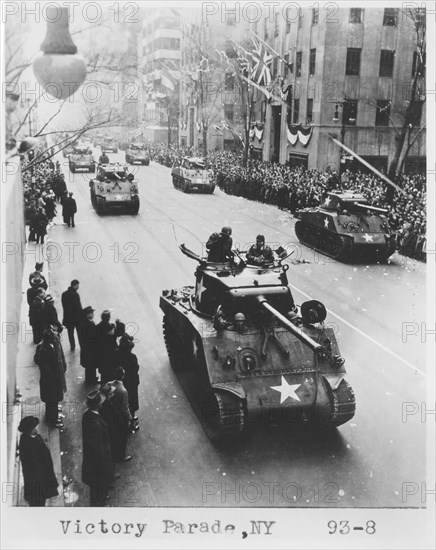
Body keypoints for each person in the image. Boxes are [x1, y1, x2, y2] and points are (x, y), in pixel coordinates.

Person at [82, 390, 117, 506]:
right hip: (99, 465)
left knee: (96, 488)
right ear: (97, 405)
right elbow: (99, 449)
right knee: (99, 490)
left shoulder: (87, 415)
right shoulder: (95, 424)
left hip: (91, 464)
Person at [18, 416, 59, 506]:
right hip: (37, 484)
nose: (37, 428)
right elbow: (35, 467)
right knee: (37, 503)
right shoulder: (27, 444)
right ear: (30, 429)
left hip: (42, 481)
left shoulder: (34, 437)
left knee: (41, 501)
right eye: (35, 427)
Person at [34, 328, 67, 428]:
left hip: (57, 377)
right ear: (50, 339)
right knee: (51, 399)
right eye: (54, 336)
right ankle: (53, 420)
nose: (57, 337)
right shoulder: (43, 349)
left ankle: (53, 412)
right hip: (50, 381)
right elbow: (42, 365)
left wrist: (63, 367)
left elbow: (61, 356)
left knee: (54, 399)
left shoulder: (55, 344)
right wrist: (55, 376)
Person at [117, 334, 140, 433]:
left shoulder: (117, 354)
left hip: (122, 382)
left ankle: (126, 419)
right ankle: (130, 423)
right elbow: (136, 369)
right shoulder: (132, 357)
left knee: (123, 402)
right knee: (131, 401)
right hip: (131, 382)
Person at [96, 311, 125, 385]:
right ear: (108, 318)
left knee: (104, 373)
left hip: (101, 353)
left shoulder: (98, 327)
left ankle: (103, 386)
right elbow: (120, 333)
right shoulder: (111, 329)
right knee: (110, 372)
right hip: (111, 354)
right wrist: (118, 323)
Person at [109, 367, 132, 462]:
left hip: (111, 414)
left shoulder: (109, 384)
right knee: (122, 437)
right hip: (120, 417)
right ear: (123, 376)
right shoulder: (123, 391)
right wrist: (129, 418)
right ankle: (121, 456)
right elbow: (125, 408)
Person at [78, 306, 99, 384]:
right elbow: (93, 336)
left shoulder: (83, 322)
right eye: (91, 313)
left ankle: (90, 378)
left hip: (85, 348)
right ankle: (91, 380)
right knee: (91, 365)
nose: (93, 314)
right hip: (90, 348)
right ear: (88, 314)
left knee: (89, 366)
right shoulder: (89, 324)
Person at [61, 279, 83, 350]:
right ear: (74, 285)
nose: (78, 287)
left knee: (70, 333)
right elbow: (78, 307)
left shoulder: (64, 294)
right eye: (77, 285)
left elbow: (64, 305)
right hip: (76, 318)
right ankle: (81, 345)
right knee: (79, 333)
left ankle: (72, 346)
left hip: (68, 318)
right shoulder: (75, 295)